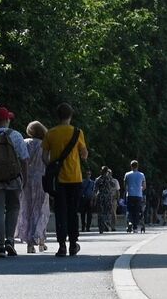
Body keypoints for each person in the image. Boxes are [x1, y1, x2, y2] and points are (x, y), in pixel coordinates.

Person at [0, 106, 29, 258]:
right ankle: (10, 240)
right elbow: (24, 159)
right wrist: (25, 178)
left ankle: (1, 246)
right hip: (14, 178)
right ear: (7, 120)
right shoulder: (16, 135)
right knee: (13, 207)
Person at [42, 104, 88, 256]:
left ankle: (61, 245)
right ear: (71, 116)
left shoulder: (50, 133)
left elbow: (44, 157)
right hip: (75, 177)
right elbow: (84, 155)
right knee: (73, 212)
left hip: (59, 180)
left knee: (61, 212)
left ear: (58, 116)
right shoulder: (77, 132)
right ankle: (73, 244)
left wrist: (52, 166)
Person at [16, 121, 50, 252]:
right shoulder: (45, 144)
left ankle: (30, 244)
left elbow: (21, 160)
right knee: (42, 210)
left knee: (27, 209)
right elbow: (48, 161)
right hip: (41, 179)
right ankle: (40, 241)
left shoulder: (24, 143)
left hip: (26, 179)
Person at [123, 160, 147, 233]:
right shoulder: (142, 175)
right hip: (138, 195)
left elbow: (125, 185)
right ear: (137, 166)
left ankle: (130, 222)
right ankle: (135, 227)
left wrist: (128, 190)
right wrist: (140, 190)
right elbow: (144, 186)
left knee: (130, 210)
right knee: (137, 211)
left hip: (130, 195)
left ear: (131, 166)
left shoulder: (127, 174)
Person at [94, 165, 119, 234]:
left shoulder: (98, 179)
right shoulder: (109, 179)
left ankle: (101, 227)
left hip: (101, 197)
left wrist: (94, 199)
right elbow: (113, 185)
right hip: (108, 197)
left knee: (100, 212)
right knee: (107, 212)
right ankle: (105, 223)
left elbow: (95, 190)